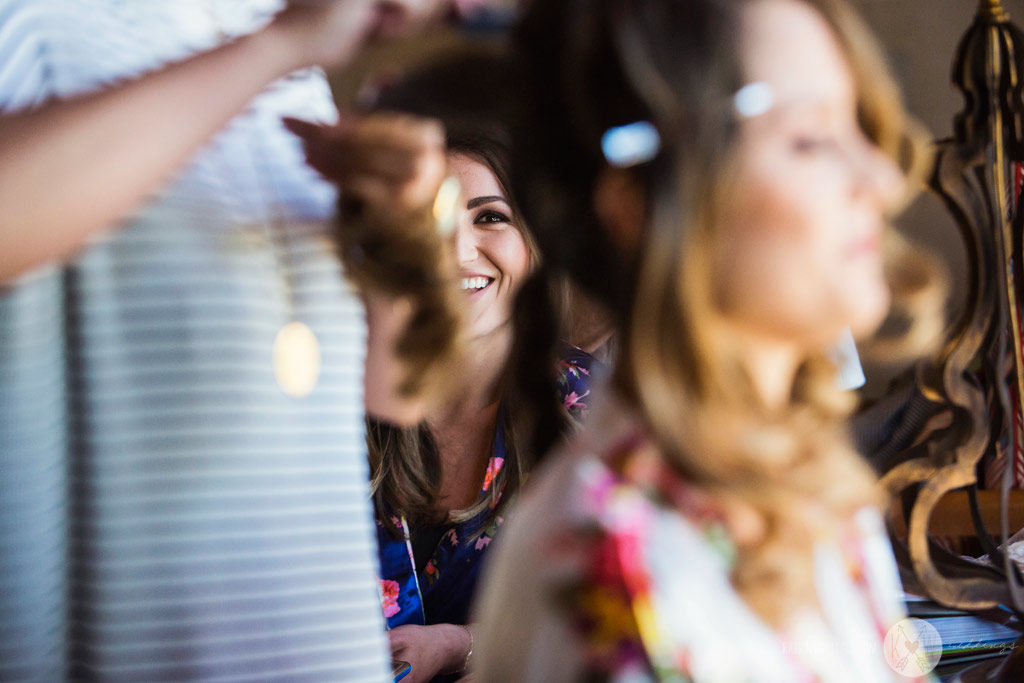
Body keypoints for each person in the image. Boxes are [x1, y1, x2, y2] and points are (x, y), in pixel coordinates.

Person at [470, 0, 944, 680]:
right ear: (640, 199)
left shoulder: (810, 487)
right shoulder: (619, 571)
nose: (878, 178)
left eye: (857, 127)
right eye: (810, 137)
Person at [0, 1, 458, 680]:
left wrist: (408, 233)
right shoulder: (32, 27)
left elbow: (396, 393)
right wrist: (281, 42)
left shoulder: (290, 73)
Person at [290, 54, 598, 682]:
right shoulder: (324, 398)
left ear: (535, 243)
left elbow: (625, 611)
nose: (456, 250)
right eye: (428, 219)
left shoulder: (598, 412)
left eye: (491, 216)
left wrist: (461, 644)